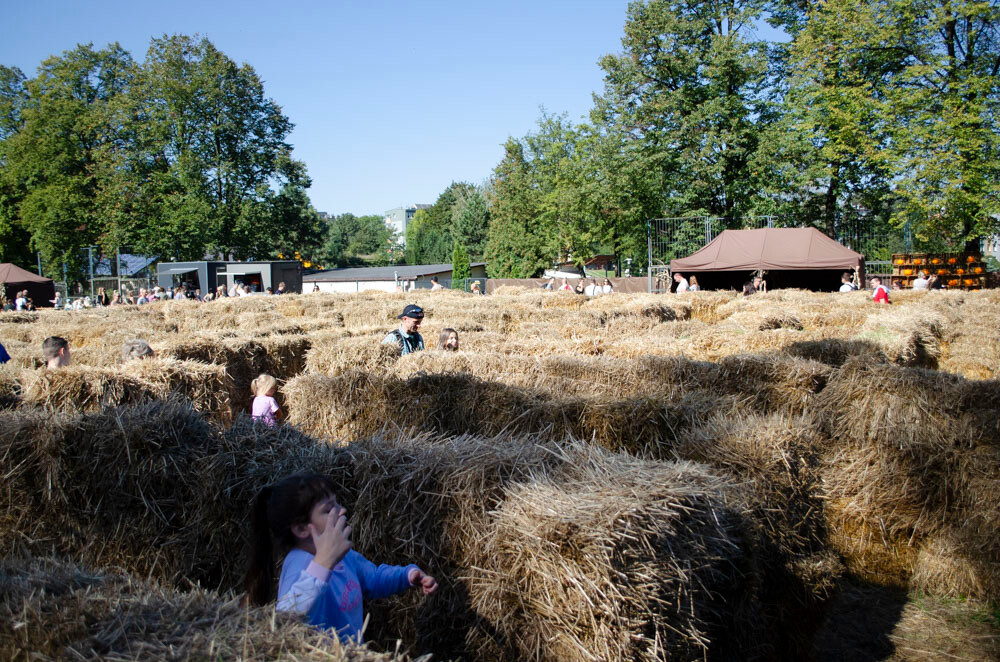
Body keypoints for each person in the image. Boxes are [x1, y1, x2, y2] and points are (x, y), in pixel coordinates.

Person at [245, 473, 438, 644]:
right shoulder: (299, 564)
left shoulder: (345, 558)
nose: (342, 510)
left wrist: (407, 575)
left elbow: (374, 578)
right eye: (328, 510)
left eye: (337, 503)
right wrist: (323, 564)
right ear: (301, 529)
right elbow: (286, 618)